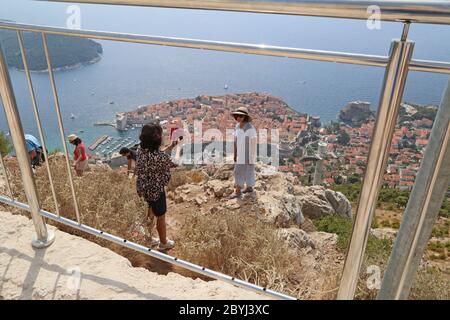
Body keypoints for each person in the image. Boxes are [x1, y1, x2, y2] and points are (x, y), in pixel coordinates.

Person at [135, 123, 178, 250]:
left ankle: (148, 239)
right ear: (157, 139)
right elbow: (174, 163)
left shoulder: (140, 150)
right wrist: (177, 149)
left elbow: (156, 155)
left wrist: (170, 147)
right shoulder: (161, 157)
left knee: (149, 214)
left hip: (143, 188)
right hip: (156, 191)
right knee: (160, 217)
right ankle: (163, 243)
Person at [230, 106, 257, 198]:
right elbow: (236, 140)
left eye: (241, 116)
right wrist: (235, 153)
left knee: (239, 171)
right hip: (240, 152)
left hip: (248, 153)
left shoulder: (250, 128)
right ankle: (249, 187)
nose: (238, 118)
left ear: (245, 117)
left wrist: (252, 156)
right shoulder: (237, 126)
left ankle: (238, 191)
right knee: (245, 170)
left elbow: (253, 142)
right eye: (237, 116)